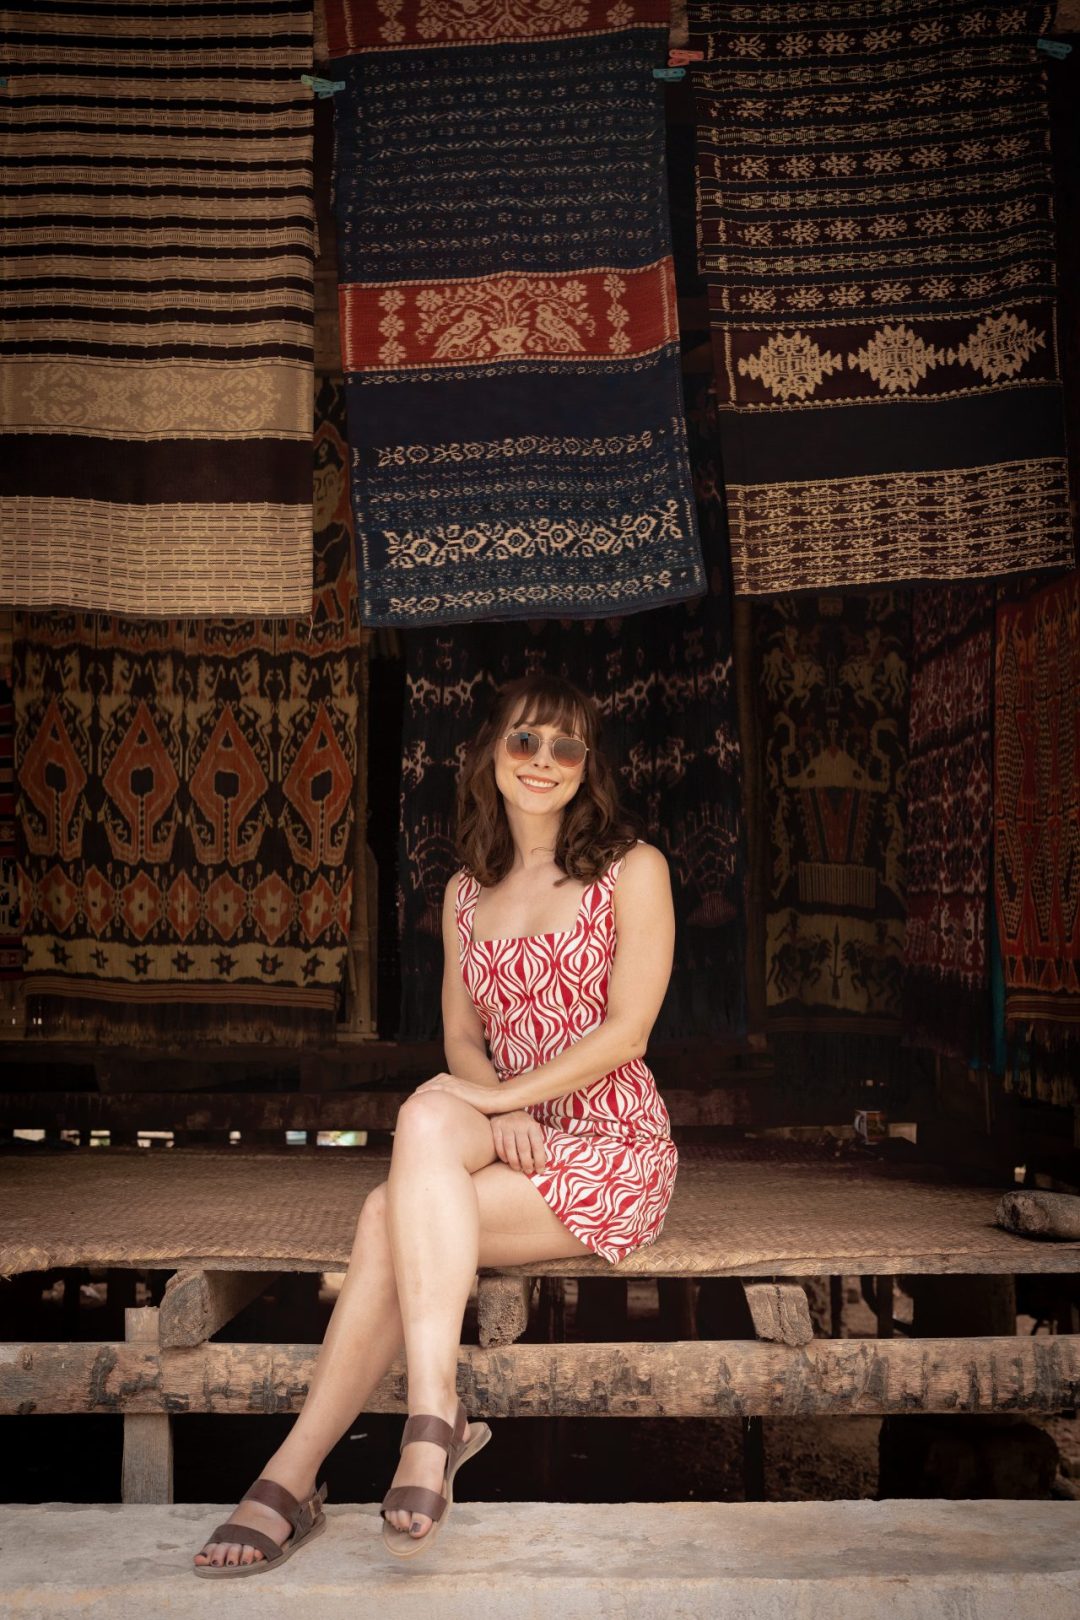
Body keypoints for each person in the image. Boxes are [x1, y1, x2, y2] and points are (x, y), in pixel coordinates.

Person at [193, 672, 678, 1576]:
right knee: (424, 1113)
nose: (543, 762)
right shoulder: (463, 893)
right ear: (490, 753)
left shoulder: (632, 868)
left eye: (565, 747)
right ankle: (430, 1421)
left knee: (386, 1218)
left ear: (586, 768)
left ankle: (304, 1468)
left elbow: (630, 1032)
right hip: (506, 1119)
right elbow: (461, 1036)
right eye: (525, 742)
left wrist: (504, 1102)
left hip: (608, 1142)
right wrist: (499, 1102)